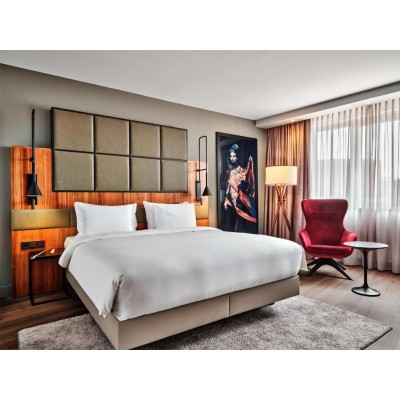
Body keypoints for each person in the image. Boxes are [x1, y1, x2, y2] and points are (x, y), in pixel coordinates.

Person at [222, 143, 257, 233]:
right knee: (230, 220)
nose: (232, 158)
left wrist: (250, 163)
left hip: (238, 197)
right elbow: (228, 184)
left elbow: (246, 174)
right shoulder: (228, 170)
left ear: (237, 157)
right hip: (230, 198)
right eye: (231, 156)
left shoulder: (239, 169)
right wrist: (226, 200)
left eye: (234, 156)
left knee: (240, 218)